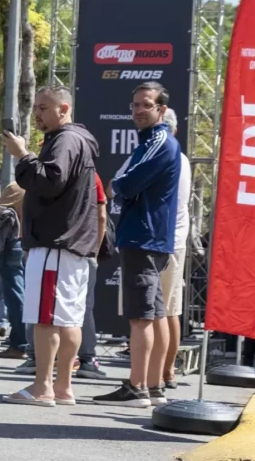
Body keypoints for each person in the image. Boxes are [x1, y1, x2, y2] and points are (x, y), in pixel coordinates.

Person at [0, 85, 99, 407]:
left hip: (56, 243)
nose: (37, 114)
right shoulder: (75, 140)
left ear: (64, 109)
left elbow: (49, 180)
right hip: (72, 244)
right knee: (69, 318)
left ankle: (43, 387)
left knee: (46, 319)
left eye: (44, 108)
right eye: (37, 107)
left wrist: (23, 155)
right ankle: (63, 387)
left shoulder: (66, 139)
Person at [94, 82, 181, 408]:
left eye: (146, 104)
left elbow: (127, 183)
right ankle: (154, 386)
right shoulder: (152, 140)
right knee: (154, 314)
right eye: (134, 105)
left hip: (144, 235)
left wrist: (120, 183)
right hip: (147, 235)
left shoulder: (160, 140)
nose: (138, 110)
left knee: (141, 317)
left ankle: (137, 388)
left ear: (161, 110)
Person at [161, 108, 191, 389]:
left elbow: (117, 187)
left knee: (161, 311)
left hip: (164, 241)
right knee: (170, 310)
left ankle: (159, 373)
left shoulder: (167, 156)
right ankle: (166, 372)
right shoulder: (180, 157)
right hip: (174, 241)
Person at [0, 183, 30, 360]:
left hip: (12, 243)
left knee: (14, 295)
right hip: (31, 245)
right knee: (24, 293)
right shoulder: (43, 184)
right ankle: (24, 340)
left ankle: (20, 343)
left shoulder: (17, 186)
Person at [76, 173, 110, 379]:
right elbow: (102, 215)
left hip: (53, 248)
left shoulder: (45, 170)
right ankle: (87, 359)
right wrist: (95, 251)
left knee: (45, 307)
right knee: (83, 307)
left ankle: (38, 357)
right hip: (85, 248)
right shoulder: (92, 176)